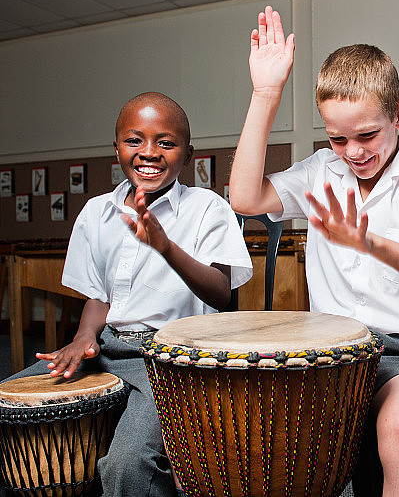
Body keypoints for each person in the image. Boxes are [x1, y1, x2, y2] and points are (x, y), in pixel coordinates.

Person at [229, 7, 399, 496]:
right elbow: (244, 197)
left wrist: (370, 242)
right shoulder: (322, 171)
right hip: (329, 352)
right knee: (260, 431)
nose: (354, 152)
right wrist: (265, 94)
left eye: (367, 135)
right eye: (338, 138)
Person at [2, 92, 253, 497]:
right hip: (108, 346)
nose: (148, 153)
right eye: (134, 140)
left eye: (165, 143)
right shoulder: (97, 211)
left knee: (127, 462)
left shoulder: (207, 208)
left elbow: (222, 294)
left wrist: (165, 246)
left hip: (171, 360)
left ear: (187, 155)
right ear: (116, 148)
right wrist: (84, 338)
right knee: (9, 403)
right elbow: (100, 297)